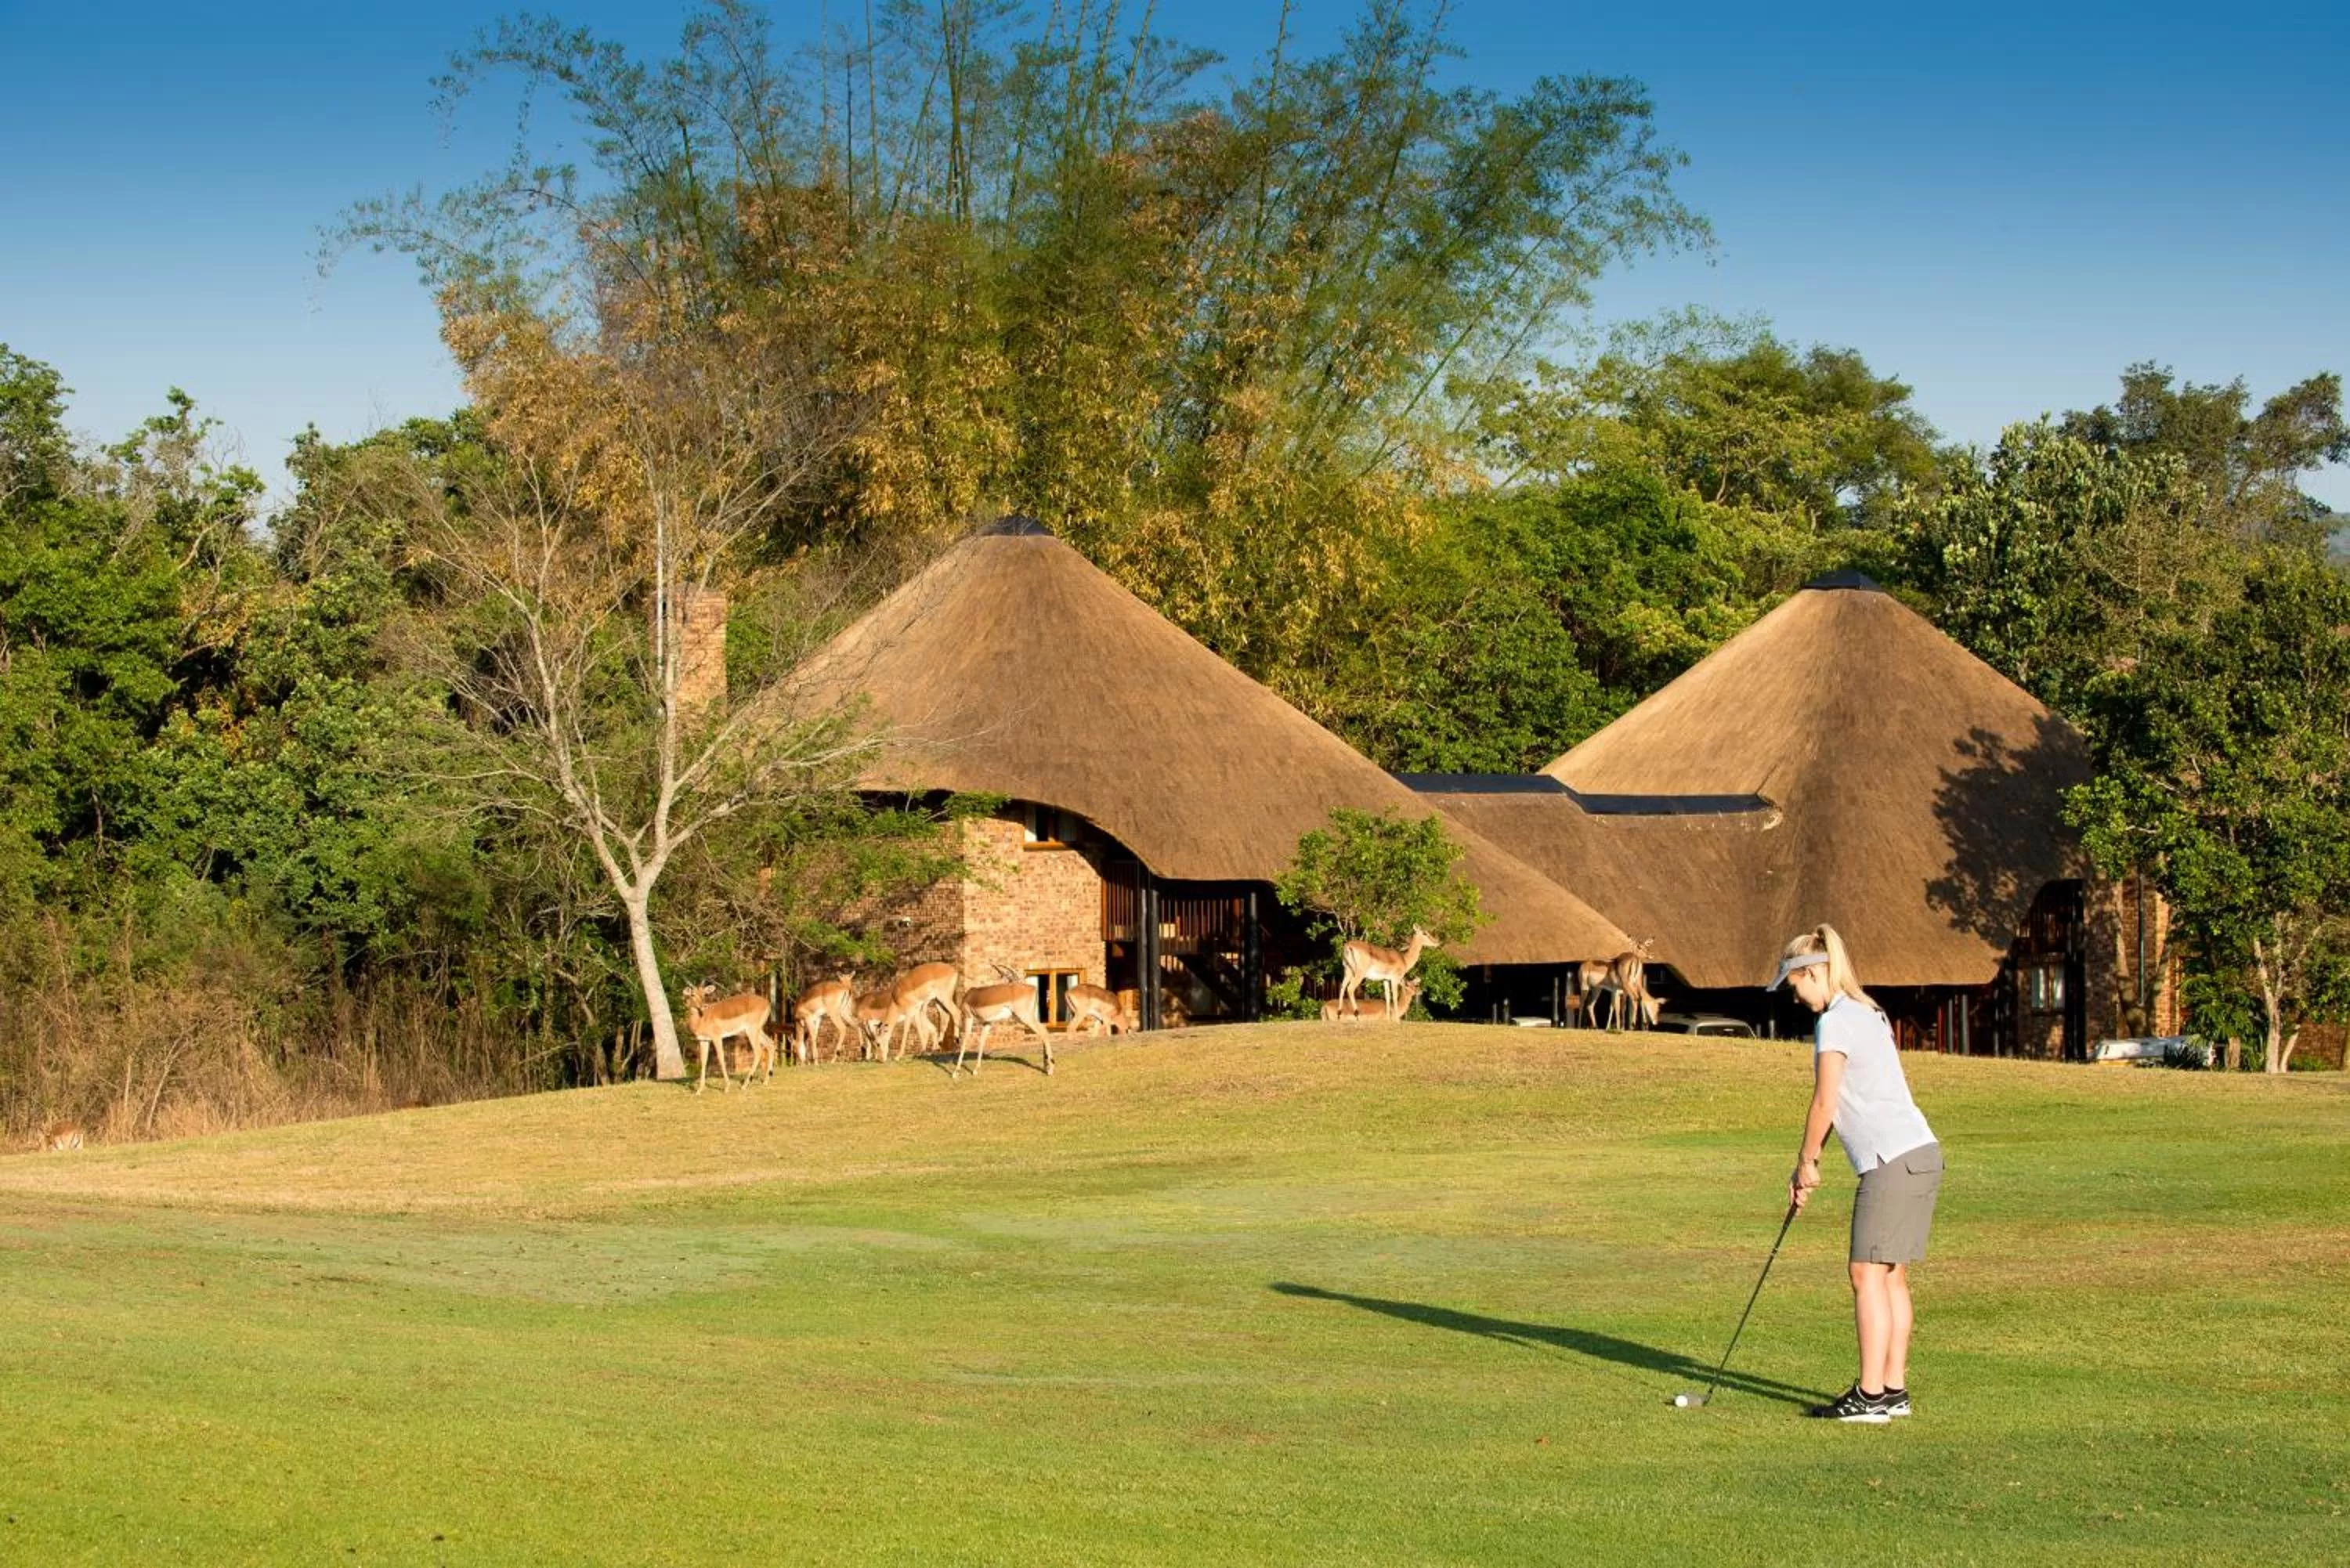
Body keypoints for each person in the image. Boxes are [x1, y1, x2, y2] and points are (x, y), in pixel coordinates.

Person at [1773, 924, 1943, 1424]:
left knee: (1865, 1272)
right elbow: (1842, 1103)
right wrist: (1810, 1162)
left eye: (1796, 987)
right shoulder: (1868, 1012)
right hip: (1920, 1153)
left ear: (1810, 973)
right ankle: (1893, 1390)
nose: (1797, 999)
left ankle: (1869, 1397)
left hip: (1892, 1161)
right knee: (1891, 1276)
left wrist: (1806, 1162)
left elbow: (1825, 1100)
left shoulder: (1838, 1021)